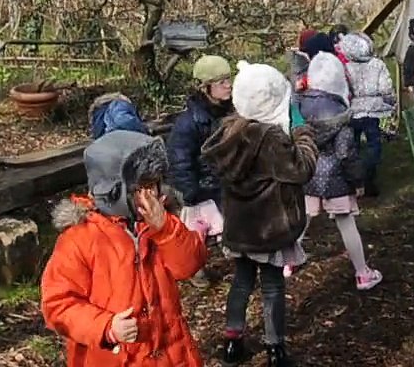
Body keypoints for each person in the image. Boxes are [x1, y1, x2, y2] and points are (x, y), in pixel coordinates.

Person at [41, 130, 208, 367]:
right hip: (115, 356)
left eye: (155, 185)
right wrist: (106, 327)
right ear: (114, 191)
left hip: (171, 354)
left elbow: (190, 265)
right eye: (142, 187)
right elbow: (57, 304)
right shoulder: (80, 239)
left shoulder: (159, 223)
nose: (151, 195)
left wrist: (166, 229)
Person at [202, 61, 318, 367]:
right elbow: (302, 169)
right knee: (272, 286)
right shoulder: (271, 139)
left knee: (241, 283)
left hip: (240, 228)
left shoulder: (230, 132)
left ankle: (232, 341)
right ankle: (275, 348)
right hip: (269, 229)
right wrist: (303, 134)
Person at [296, 51, 384, 290]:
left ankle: (287, 262)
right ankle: (362, 273)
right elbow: (346, 153)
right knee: (347, 224)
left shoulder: (299, 106)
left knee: (301, 221)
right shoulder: (341, 114)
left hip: (308, 174)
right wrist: (358, 181)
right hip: (336, 180)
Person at [168, 55, 234, 286]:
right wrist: (191, 191)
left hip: (225, 181)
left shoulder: (230, 112)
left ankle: (234, 254)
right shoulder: (188, 123)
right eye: (221, 82)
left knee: (230, 223)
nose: (229, 85)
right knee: (198, 233)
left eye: (229, 79)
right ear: (206, 88)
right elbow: (180, 160)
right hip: (203, 186)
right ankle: (195, 268)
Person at [337, 31, 395, 197]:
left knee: (353, 146)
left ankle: (355, 180)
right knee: (373, 145)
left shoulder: (345, 67)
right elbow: (386, 88)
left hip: (353, 111)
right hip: (373, 110)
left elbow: (343, 90)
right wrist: (389, 102)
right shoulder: (377, 64)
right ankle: (370, 176)